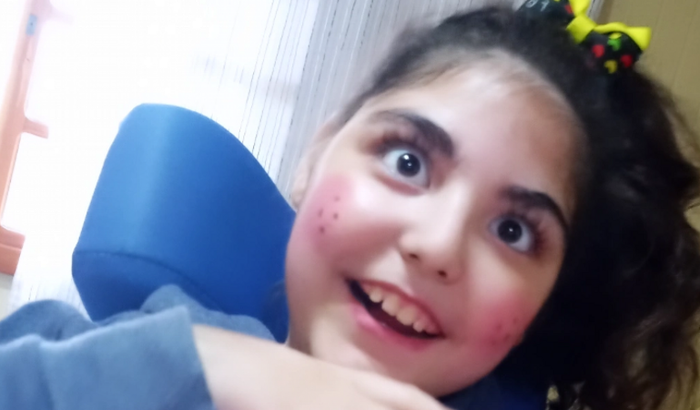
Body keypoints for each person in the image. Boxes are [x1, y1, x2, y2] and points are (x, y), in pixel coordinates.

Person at [1, 2, 699, 410]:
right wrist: (212, 365)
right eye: (407, 161)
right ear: (316, 155)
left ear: (540, 309)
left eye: (514, 230)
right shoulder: (105, 349)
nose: (437, 244)